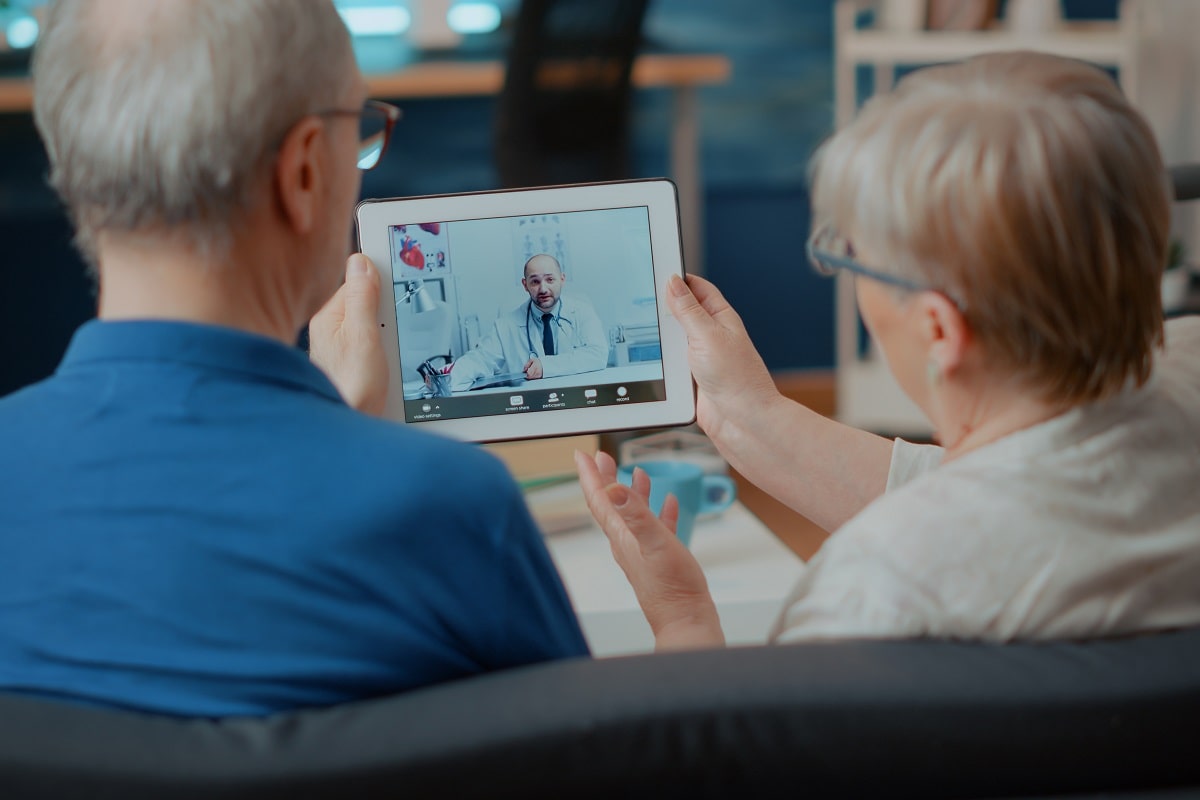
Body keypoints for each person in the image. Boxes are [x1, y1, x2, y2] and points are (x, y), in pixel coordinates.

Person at [0, 0, 588, 718]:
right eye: (361, 130)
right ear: (306, 170)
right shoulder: (454, 506)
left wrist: (336, 420)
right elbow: (586, 763)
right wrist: (683, 620)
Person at [575, 51, 1200, 651]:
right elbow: (1011, 483)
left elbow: (730, 757)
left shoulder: (875, 589)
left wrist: (680, 614)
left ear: (938, 331)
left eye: (852, 254)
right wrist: (747, 413)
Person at [447, 253, 607, 391]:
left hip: (577, 400)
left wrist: (545, 366)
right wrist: (444, 378)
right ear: (525, 285)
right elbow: (480, 360)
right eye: (535, 282)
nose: (543, 289)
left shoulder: (583, 312)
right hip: (529, 407)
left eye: (550, 279)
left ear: (562, 279)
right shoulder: (505, 325)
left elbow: (598, 354)